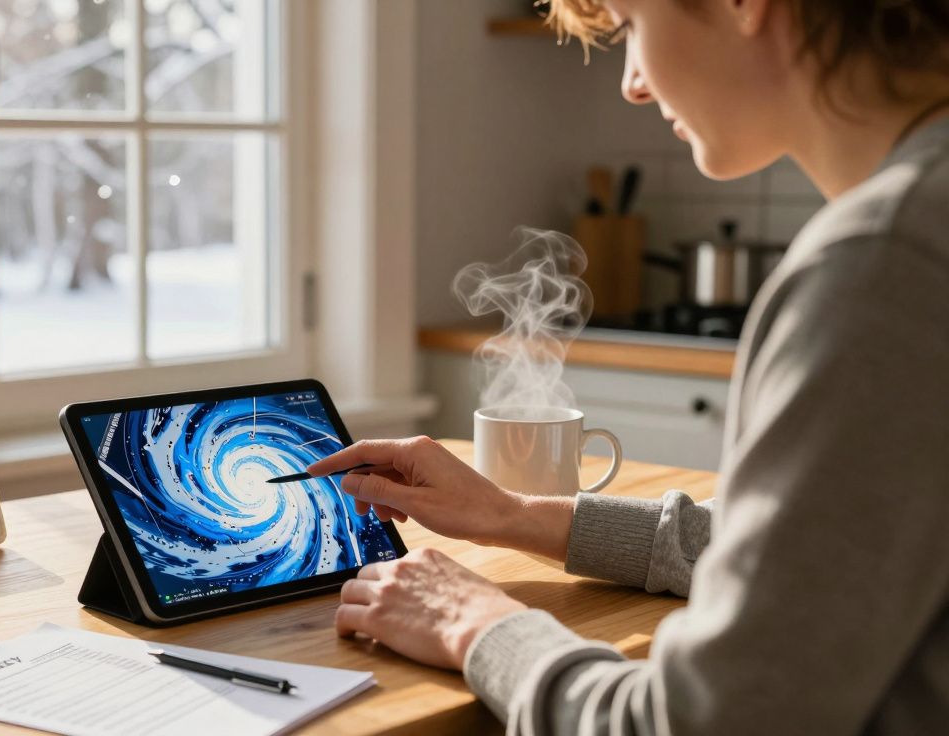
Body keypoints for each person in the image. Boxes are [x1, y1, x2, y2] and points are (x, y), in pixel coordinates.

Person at [307, 0, 949, 732]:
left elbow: (699, 724)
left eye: (632, 25)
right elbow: (824, 559)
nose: (633, 83)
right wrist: (513, 516)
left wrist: (477, 625)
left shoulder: (884, 265)